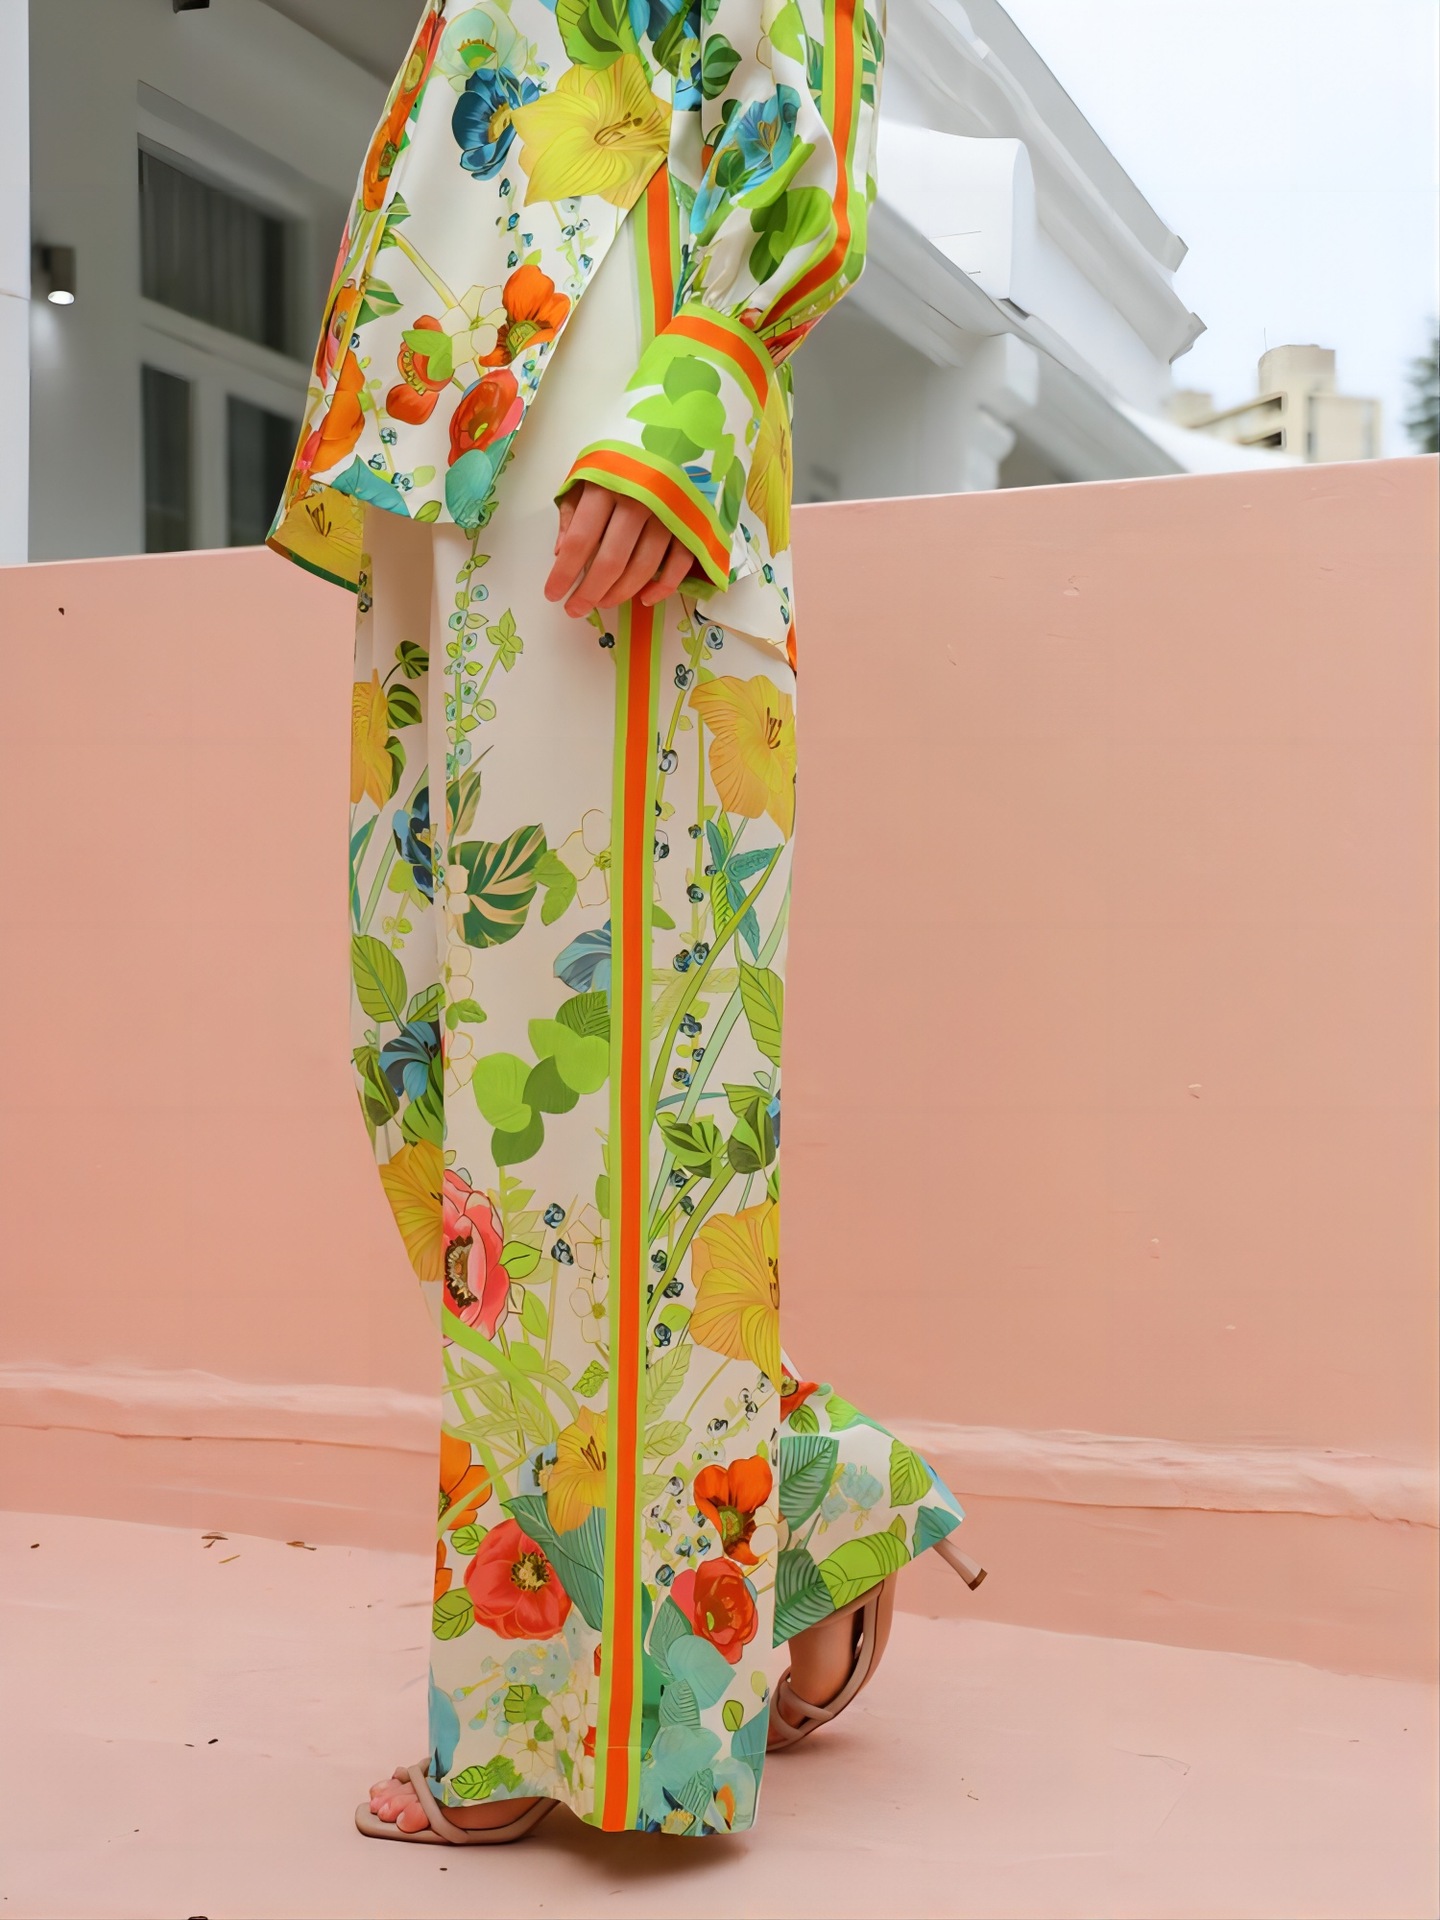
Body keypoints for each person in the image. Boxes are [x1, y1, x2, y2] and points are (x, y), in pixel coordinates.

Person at [268, 0, 982, 1846]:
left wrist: (696, 391)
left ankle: (568, 1717)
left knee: (589, 1115)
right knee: (434, 1084)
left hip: (614, 386)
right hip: (446, 418)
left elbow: (795, 56)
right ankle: (800, 1498)